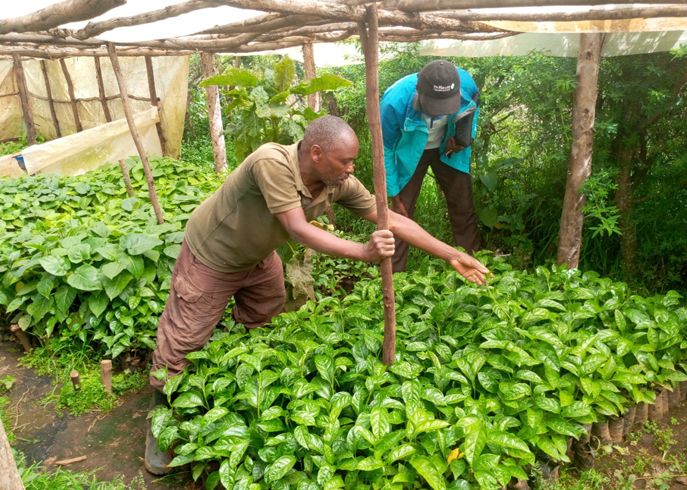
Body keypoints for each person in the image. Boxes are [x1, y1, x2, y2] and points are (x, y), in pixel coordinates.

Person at [145, 116, 490, 474]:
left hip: (258, 256)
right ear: (316, 153)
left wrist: (451, 253)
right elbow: (297, 228)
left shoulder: (336, 182)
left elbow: (391, 220)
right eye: (345, 161)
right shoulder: (272, 162)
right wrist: (363, 252)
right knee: (184, 337)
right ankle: (161, 416)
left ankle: (239, 378)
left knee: (266, 313)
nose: (351, 168)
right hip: (212, 255)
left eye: (353, 161)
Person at [380, 59, 482, 273]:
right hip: (410, 152)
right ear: (419, 91)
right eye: (434, 106)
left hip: (447, 148)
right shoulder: (394, 102)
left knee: (463, 205)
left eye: (446, 107)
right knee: (399, 215)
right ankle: (393, 276)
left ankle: (473, 266)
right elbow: (385, 150)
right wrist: (394, 195)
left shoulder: (465, 84)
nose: (439, 113)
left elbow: (473, 106)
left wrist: (465, 139)